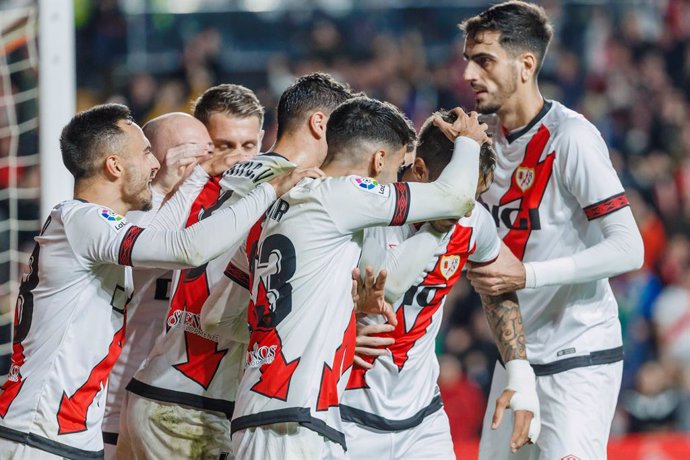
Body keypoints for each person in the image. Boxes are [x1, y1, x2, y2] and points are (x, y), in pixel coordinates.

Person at [0, 103, 316, 459]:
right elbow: (186, 248)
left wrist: (191, 181)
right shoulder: (82, 221)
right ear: (114, 165)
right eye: (147, 153)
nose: (155, 165)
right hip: (37, 435)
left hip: (67, 433)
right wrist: (269, 191)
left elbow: (159, 235)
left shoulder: (91, 229)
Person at [231, 97, 488, 459]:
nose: (398, 179)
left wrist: (349, 320)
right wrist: (469, 142)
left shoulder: (285, 199)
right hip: (294, 416)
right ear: (379, 160)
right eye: (399, 166)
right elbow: (456, 198)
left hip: (270, 405)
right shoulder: (344, 197)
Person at [118, 75, 356, 459]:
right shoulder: (284, 192)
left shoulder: (217, 189)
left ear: (264, 136)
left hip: (172, 393)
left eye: (248, 145)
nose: (237, 157)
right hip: (186, 402)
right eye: (223, 146)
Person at [458, 2, 644, 458]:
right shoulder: (480, 146)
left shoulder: (571, 137)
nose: (468, 73)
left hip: (577, 351)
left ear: (526, 65)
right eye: (467, 59)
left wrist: (529, 276)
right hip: (516, 357)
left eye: (483, 60)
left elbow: (628, 248)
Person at [341, 110, 539, 459]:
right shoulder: (370, 208)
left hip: (424, 422)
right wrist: (337, 333)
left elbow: (497, 284)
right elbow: (391, 284)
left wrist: (520, 373)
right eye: (460, 195)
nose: (467, 208)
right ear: (419, 170)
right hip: (348, 416)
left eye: (473, 197)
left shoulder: (472, 220)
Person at [101, 112, 214, 457]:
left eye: (209, 151)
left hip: (193, 407)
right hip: (118, 408)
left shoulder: (223, 214)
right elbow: (148, 249)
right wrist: (167, 186)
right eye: (191, 154)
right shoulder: (128, 217)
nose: (205, 163)